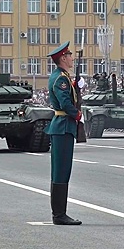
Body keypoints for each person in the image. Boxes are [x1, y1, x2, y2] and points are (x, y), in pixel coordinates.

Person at [44, 41, 83, 226]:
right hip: (63, 125)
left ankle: (59, 213)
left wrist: (75, 86)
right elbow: (65, 102)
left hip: (63, 126)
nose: (72, 58)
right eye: (69, 56)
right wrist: (77, 114)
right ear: (62, 58)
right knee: (61, 171)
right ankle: (59, 214)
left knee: (62, 171)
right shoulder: (60, 79)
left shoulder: (62, 76)